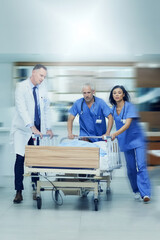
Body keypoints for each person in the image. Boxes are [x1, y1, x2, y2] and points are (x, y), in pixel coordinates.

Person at [11, 64, 54, 203]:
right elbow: (22, 109)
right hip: (22, 130)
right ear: (33, 73)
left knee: (35, 159)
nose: (42, 79)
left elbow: (46, 109)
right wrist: (31, 127)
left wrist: (48, 127)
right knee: (20, 159)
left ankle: (36, 188)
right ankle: (18, 191)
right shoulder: (21, 87)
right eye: (41, 75)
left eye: (44, 77)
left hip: (36, 131)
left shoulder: (43, 89)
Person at [109, 85, 151, 203]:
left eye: (119, 92)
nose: (117, 94)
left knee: (141, 165)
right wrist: (107, 133)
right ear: (112, 96)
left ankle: (146, 193)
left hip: (138, 140)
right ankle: (136, 190)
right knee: (131, 168)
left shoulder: (130, 107)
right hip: (125, 141)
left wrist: (115, 134)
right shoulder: (112, 109)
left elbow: (127, 125)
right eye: (114, 93)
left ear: (123, 95)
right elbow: (111, 122)